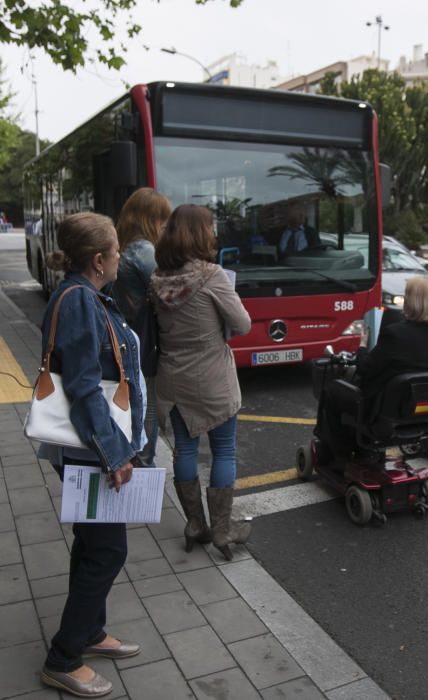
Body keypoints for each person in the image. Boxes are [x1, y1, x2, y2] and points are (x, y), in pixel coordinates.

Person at [38, 213, 146, 698]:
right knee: (108, 550)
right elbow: (85, 387)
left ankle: (90, 632)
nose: (122, 255)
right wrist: (116, 455)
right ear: (99, 259)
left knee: (91, 540)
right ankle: (63, 657)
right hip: (90, 448)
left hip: (89, 445)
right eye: (118, 249)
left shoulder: (82, 294)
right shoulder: (80, 299)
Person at [150, 204, 252, 560]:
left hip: (172, 378)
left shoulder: (158, 277)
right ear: (200, 234)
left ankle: (196, 525)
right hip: (211, 377)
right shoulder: (212, 276)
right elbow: (242, 324)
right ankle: (223, 530)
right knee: (223, 451)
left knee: (185, 449)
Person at [314, 276, 428, 458]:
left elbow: (365, 368)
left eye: (407, 296)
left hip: (382, 411)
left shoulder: (396, 333)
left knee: (332, 391)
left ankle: (338, 452)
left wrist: (362, 345)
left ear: (413, 302)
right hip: (418, 413)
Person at [112, 187, 172, 468]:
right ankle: (140, 481)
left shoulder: (125, 249)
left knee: (133, 413)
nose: (165, 227)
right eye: (163, 220)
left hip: (125, 340)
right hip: (142, 345)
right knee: (145, 420)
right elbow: (168, 292)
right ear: (150, 219)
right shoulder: (144, 251)